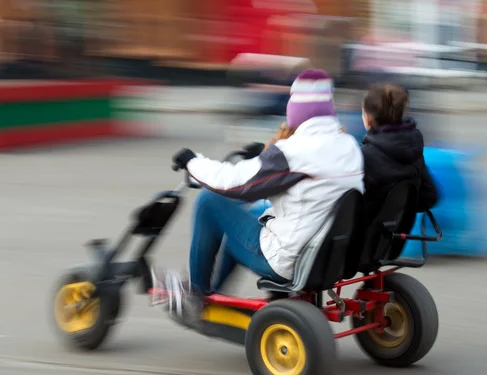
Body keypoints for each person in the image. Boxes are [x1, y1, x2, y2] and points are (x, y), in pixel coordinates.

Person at [152, 69, 364, 329]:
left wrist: (193, 162)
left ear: (296, 107)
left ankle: (196, 294)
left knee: (210, 202)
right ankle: (216, 293)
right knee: (247, 216)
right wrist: (263, 158)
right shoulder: (349, 145)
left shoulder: (294, 151)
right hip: (329, 253)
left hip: (289, 259)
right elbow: (295, 186)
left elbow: (235, 184)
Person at [360, 83, 438, 221]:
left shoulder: (363, 157)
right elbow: (429, 196)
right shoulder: (414, 152)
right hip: (395, 239)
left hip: (364, 239)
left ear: (368, 119)